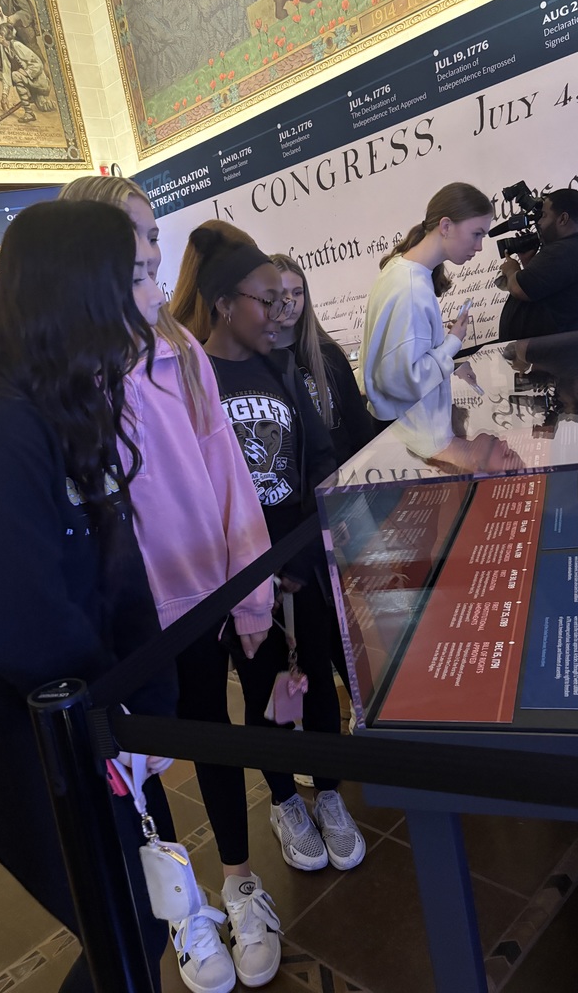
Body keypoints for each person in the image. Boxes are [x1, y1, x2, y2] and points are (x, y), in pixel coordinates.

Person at [0, 200, 179, 993]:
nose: (151, 294)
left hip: (72, 713)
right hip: (9, 734)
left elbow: (113, 566)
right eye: (133, 276)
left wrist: (143, 695)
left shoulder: (54, 398)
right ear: (80, 292)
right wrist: (119, 711)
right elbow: (24, 636)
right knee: (126, 920)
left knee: (135, 921)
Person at [59, 177, 281, 993]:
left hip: (199, 598)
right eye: (130, 239)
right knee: (138, 775)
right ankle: (182, 911)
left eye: (153, 234)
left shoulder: (180, 350)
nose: (151, 252)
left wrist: (249, 592)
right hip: (123, 616)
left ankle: (239, 880)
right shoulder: (67, 364)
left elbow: (226, 473)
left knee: (209, 737)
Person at [181, 225, 366, 877]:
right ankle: (286, 799)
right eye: (267, 299)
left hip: (298, 555)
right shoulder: (189, 377)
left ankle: (330, 793)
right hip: (240, 572)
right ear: (226, 302)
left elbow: (315, 449)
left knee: (314, 679)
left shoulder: (276, 365)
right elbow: (193, 488)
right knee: (263, 690)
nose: (281, 311)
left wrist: (312, 531)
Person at [360, 182, 492, 438]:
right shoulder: (411, 286)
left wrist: (446, 357)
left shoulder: (401, 269)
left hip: (402, 424)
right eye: (476, 234)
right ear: (445, 226)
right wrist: (453, 343)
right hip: (408, 429)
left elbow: (397, 360)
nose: (479, 247)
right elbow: (405, 380)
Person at [270, 253, 375, 466]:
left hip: (343, 476)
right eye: (281, 293)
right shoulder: (257, 363)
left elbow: (359, 426)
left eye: (297, 293)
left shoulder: (329, 354)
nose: (290, 302)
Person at [498, 188, 578, 341]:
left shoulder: (565, 250)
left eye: (544, 216)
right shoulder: (577, 247)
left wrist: (511, 269)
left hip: (562, 356)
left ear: (563, 219)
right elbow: (546, 289)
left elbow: (518, 288)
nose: (539, 222)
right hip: (558, 354)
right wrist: (528, 263)